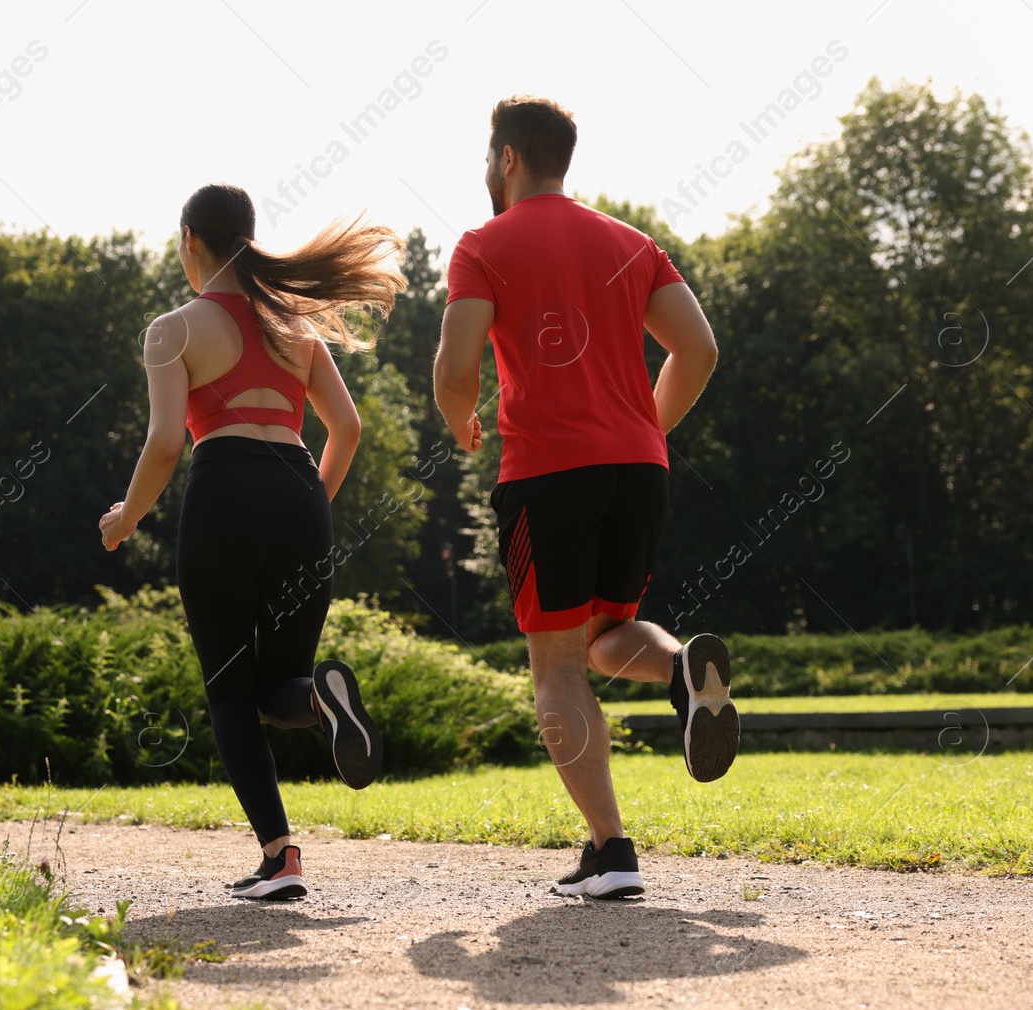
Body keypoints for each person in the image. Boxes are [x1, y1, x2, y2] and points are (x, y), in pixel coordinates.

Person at [433, 97, 738, 901]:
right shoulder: (632, 243)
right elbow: (699, 349)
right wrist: (644, 425)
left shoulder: (482, 245)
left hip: (546, 474)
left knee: (555, 665)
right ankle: (682, 671)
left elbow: (456, 362)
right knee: (606, 636)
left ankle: (610, 849)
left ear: (506, 160)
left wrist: (456, 414)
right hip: (640, 470)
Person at [100, 184, 405, 900]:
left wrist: (127, 518)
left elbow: (166, 443)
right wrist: (308, 509)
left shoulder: (174, 328)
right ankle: (328, 706)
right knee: (282, 689)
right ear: (249, 234)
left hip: (225, 496)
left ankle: (280, 854)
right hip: (301, 493)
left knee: (232, 694)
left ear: (190, 243)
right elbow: (348, 428)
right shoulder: (292, 324)